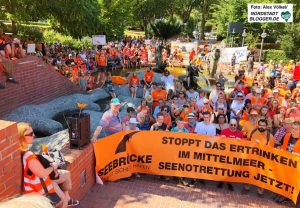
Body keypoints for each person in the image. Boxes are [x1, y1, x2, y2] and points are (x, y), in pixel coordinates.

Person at [17, 123, 79, 208]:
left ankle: (68, 199)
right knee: (62, 201)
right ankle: (66, 200)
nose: (34, 135)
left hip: (42, 181)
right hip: (40, 188)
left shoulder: (23, 149)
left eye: (33, 132)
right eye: (30, 134)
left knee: (66, 174)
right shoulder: (28, 156)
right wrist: (53, 166)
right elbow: (42, 174)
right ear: (21, 137)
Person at [242, 119, 276, 196]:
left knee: (261, 176)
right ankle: (246, 188)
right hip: (251, 157)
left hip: (262, 160)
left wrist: (260, 145)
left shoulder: (270, 137)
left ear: (266, 127)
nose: (261, 127)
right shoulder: (253, 132)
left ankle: (260, 192)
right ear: (258, 125)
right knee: (247, 173)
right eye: (260, 125)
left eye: (263, 125)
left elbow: (270, 151)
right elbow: (246, 142)